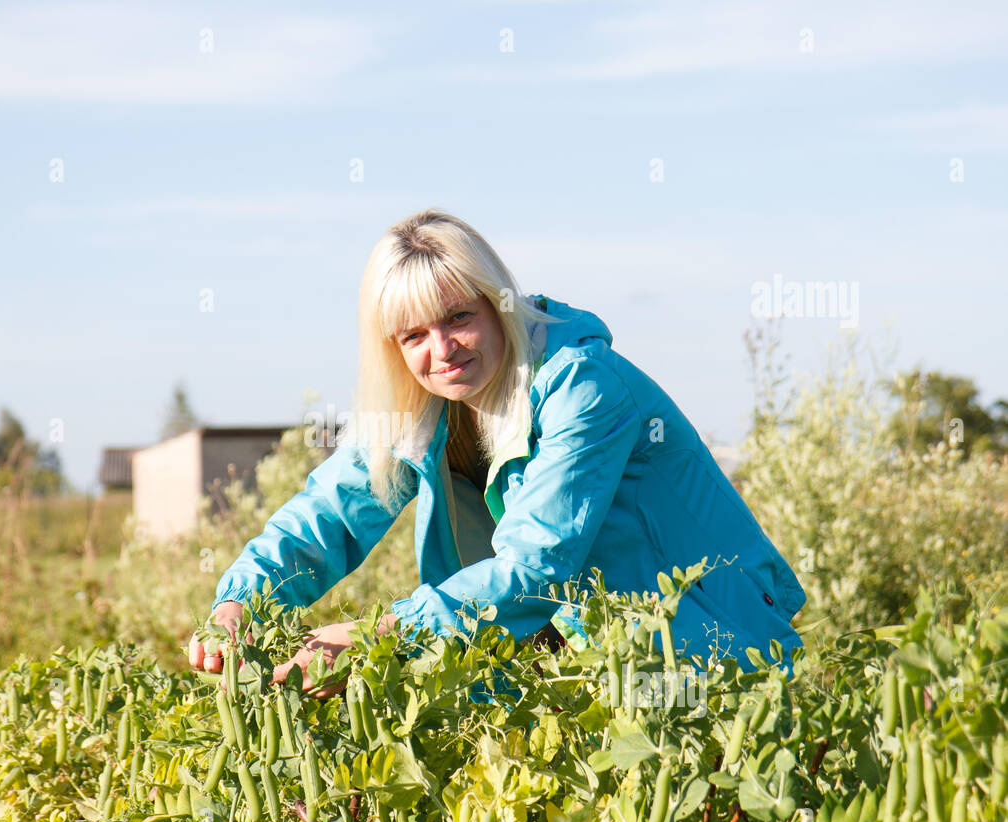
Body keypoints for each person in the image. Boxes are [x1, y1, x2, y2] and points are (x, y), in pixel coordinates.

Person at [188, 208, 806, 694]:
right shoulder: (417, 403)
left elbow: (535, 570)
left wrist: (377, 636)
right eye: (413, 335)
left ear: (498, 304)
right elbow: (330, 512)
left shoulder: (582, 386)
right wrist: (241, 601)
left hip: (703, 654)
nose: (442, 349)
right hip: (573, 663)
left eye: (458, 317)